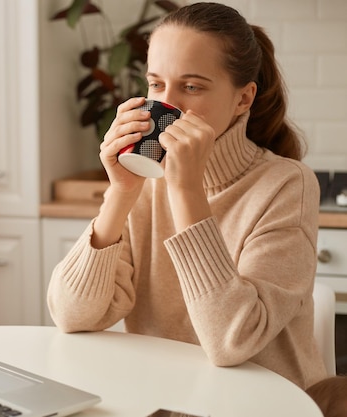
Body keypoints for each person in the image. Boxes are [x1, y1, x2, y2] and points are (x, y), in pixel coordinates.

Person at [47, 2, 327, 390]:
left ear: (243, 99)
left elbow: (232, 341)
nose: (169, 105)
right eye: (157, 85)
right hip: (166, 397)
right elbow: (71, 315)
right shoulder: (144, 183)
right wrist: (120, 194)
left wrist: (186, 189)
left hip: (262, 403)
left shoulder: (286, 185)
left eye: (192, 87)